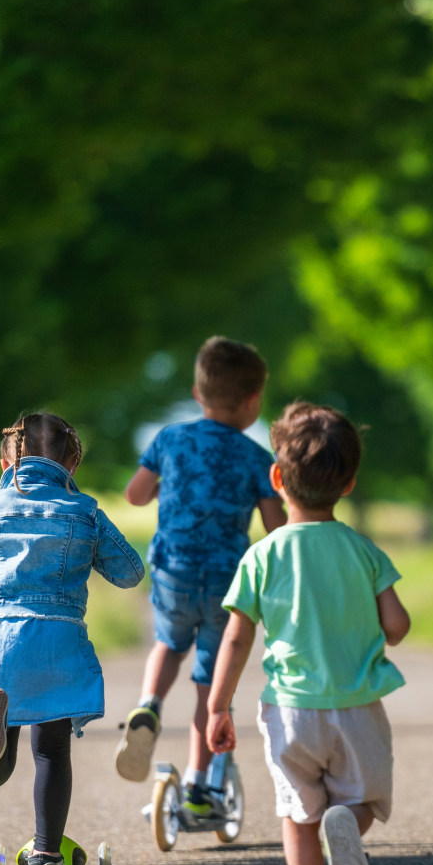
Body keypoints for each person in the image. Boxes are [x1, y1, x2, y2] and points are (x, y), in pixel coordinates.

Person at [205, 402, 410, 865]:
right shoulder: (363, 550)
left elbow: (236, 637)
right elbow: (396, 625)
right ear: (349, 482)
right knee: (361, 800)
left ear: (277, 479)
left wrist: (217, 705)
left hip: (289, 710)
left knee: (297, 817)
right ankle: (347, 823)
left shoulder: (261, 555)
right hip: (357, 706)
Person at [0, 412, 144, 865]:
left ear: (7, 459)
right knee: (52, 751)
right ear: (72, 462)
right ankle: (47, 856)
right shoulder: (84, 511)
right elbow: (131, 572)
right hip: (56, 643)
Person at [113, 337, 287, 809]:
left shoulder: (169, 439)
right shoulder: (256, 458)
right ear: (253, 403)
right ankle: (200, 786)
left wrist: (162, 489)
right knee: (211, 687)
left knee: (169, 645)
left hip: (174, 571)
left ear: (197, 391)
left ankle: (148, 704)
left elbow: (134, 494)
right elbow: (277, 530)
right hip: (228, 582)